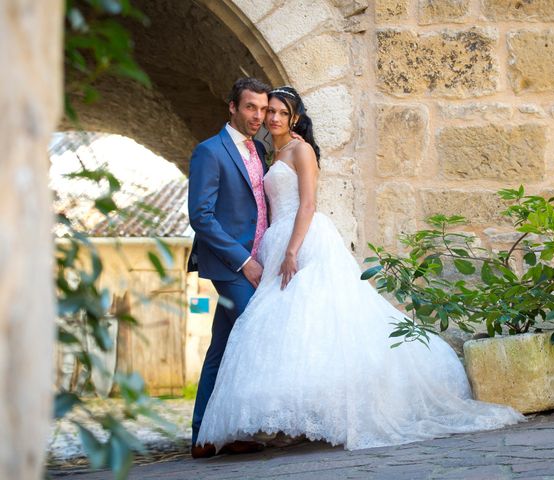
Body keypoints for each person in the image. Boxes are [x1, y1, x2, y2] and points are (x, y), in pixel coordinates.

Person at [196, 86, 525, 452]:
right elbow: (220, 211)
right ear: (238, 109)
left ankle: (272, 423)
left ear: (295, 119)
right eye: (264, 110)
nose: (269, 117)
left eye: (278, 112)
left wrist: (291, 251)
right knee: (278, 332)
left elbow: (307, 205)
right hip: (266, 249)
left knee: (298, 329)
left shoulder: (300, 150)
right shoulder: (260, 151)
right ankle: (227, 431)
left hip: (299, 243)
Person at [187, 77, 272, 458]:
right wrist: (244, 262)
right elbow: (201, 217)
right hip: (230, 265)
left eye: (262, 108)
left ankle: (206, 435)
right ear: (232, 108)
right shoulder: (210, 151)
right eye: (250, 107)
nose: (258, 116)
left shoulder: (260, 152)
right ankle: (232, 427)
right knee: (254, 334)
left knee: (222, 346)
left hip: (260, 261)